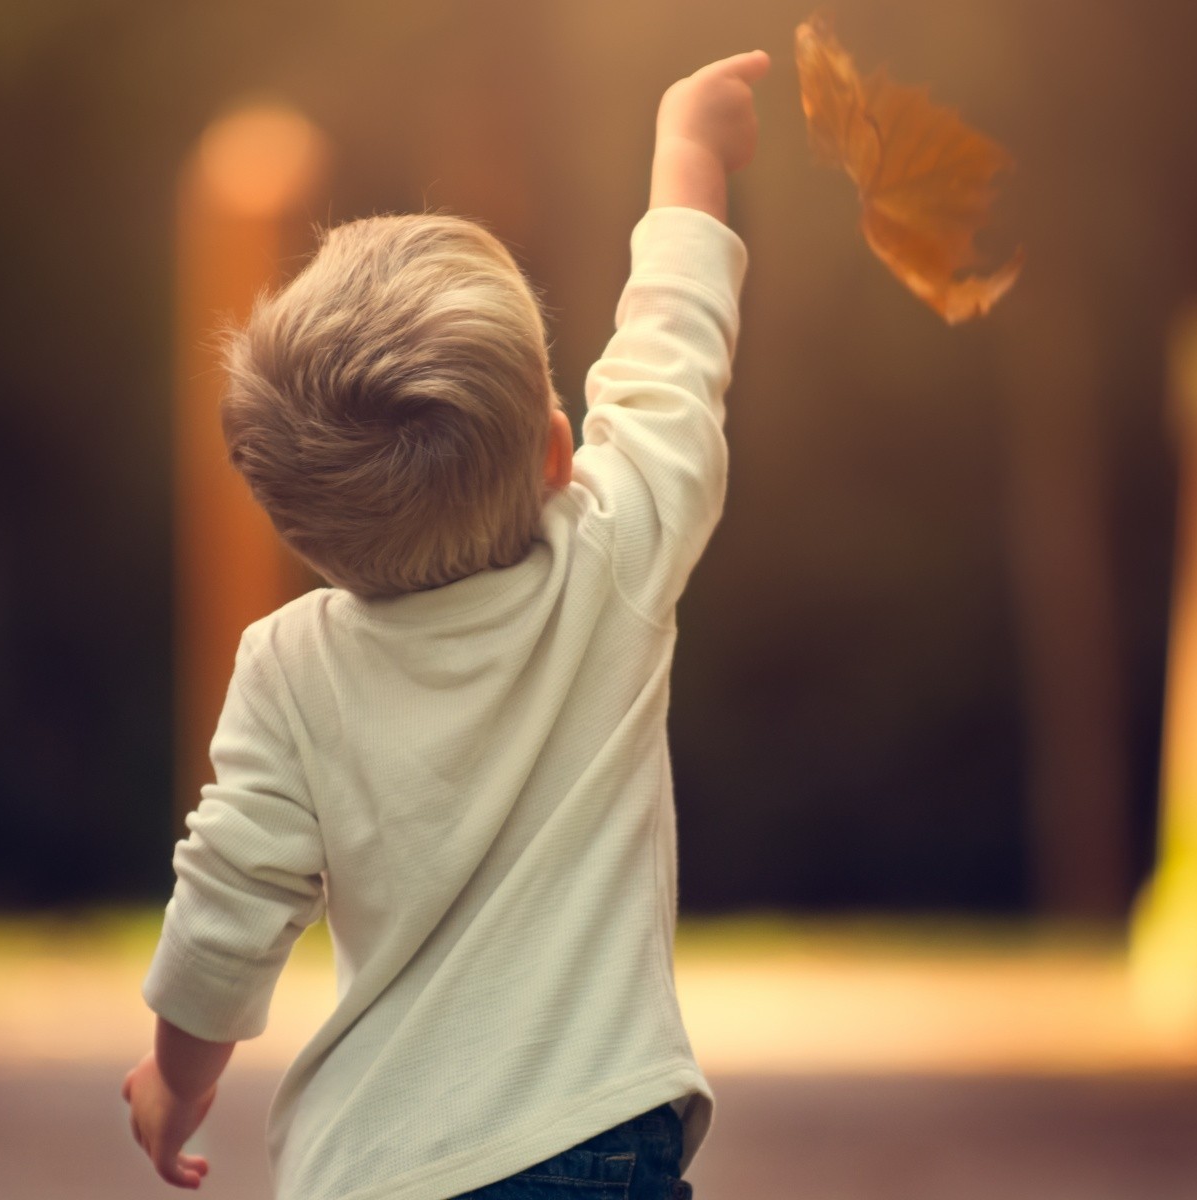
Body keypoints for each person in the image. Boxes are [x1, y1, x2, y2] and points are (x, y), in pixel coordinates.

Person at [120, 48, 769, 1200]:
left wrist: (179, 1076)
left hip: (368, 1166)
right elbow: (674, 362)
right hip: (593, 1142)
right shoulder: (609, 561)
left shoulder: (290, 667)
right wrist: (688, 151)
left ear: (299, 529)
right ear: (559, 455)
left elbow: (230, 899)